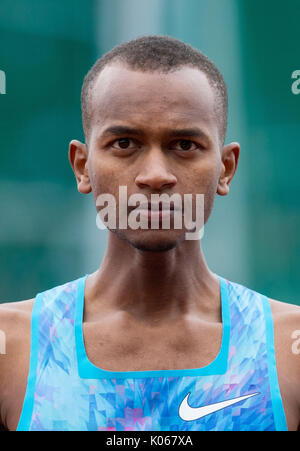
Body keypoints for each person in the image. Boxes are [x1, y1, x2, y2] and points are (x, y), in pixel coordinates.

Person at [0, 35, 299, 432]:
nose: (156, 175)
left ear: (225, 168)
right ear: (82, 166)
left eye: (184, 145)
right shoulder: (11, 348)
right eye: (124, 143)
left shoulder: (289, 350)